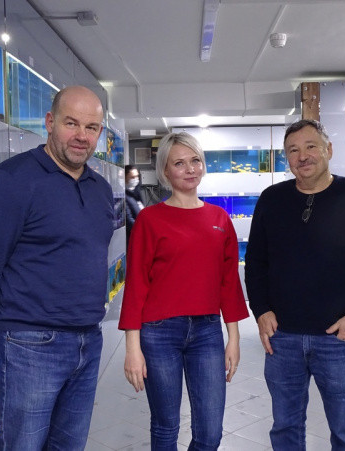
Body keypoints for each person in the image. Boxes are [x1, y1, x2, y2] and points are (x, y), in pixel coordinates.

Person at [0, 86, 113, 450]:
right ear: (49, 122)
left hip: (88, 341)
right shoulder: (11, 180)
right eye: (71, 123)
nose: (81, 136)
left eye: (91, 127)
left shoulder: (100, 189)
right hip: (28, 345)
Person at [245, 119, 345, 450]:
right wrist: (261, 310)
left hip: (339, 340)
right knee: (285, 428)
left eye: (311, 146)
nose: (303, 156)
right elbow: (256, 262)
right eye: (293, 150)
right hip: (282, 339)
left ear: (329, 149)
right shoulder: (272, 199)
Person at [119, 132, 249, 450]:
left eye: (195, 161)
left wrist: (233, 338)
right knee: (166, 427)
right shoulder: (150, 219)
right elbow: (136, 285)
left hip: (207, 332)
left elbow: (229, 283)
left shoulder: (219, 218)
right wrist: (132, 348)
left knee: (210, 433)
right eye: (179, 163)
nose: (190, 169)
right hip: (158, 333)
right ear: (165, 170)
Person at [124, 164, 145, 240]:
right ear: (125, 178)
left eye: (137, 176)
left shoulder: (136, 193)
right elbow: (129, 221)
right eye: (132, 177)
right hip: (133, 237)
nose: (135, 179)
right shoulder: (125, 197)